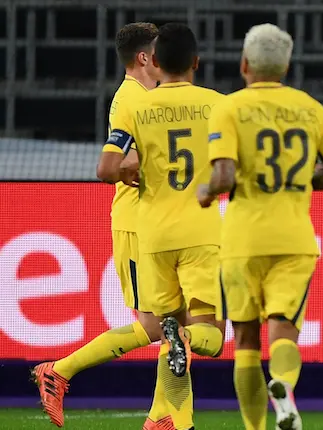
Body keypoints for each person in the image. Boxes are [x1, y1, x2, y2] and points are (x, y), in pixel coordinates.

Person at [32, 22, 192, 430]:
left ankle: (164, 418)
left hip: (157, 223)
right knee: (158, 325)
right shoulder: (129, 100)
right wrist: (145, 163)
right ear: (144, 58)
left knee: (176, 322)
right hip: (136, 224)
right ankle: (61, 371)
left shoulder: (148, 96)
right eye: (157, 52)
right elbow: (113, 165)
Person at [198, 23, 323, 430]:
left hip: (242, 239)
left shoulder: (228, 107)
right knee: (283, 331)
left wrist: (206, 192)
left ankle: (255, 428)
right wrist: (299, 183)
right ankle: (281, 384)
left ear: (244, 63)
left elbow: (225, 176)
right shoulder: (311, 108)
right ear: (286, 66)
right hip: (295, 238)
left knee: (245, 341)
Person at [108, 22, 227, 429]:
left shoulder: (139, 106)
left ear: (155, 61)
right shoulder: (217, 103)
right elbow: (231, 167)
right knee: (209, 335)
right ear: (196, 62)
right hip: (200, 230)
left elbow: (107, 167)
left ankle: (170, 419)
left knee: (167, 326)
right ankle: (175, 386)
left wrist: (136, 171)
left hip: (153, 234)